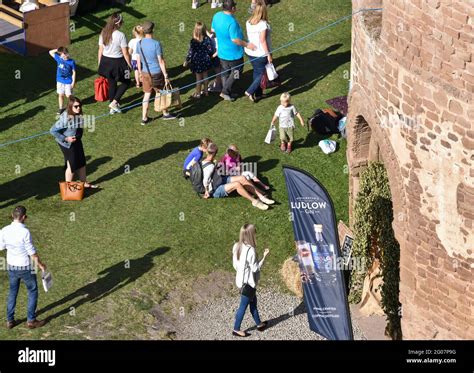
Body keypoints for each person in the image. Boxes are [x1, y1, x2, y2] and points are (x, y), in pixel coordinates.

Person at [0, 206, 47, 329]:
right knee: (32, 291)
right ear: (24, 217)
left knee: (12, 292)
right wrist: (41, 265)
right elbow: (31, 252)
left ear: (12, 215)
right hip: (25, 266)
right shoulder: (25, 232)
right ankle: (31, 320)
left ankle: (10, 320)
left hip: (11, 265)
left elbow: (1, 247)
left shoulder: (4, 230)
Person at [202, 143, 274, 210]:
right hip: (214, 189)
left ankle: (261, 196)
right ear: (215, 153)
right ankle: (254, 201)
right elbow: (205, 180)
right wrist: (206, 191)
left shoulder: (204, 161)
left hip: (218, 180)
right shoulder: (210, 166)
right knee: (237, 184)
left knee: (242, 178)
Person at [211, 0, 256, 101]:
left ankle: (227, 90)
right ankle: (225, 91)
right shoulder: (232, 22)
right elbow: (235, 39)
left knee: (225, 71)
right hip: (234, 54)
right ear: (232, 8)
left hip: (222, 52)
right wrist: (247, 45)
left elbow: (213, 30)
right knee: (237, 72)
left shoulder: (216, 15)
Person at [50, 97, 98, 188]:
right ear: (70, 106)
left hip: (76, 141)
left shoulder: (77, 114)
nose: (79, 108)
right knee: (72, 165)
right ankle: (68, 187)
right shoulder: (65, 119)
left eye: (80, 106)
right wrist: (66, 138)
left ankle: (84, 183)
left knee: (82, 162)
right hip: (67, 144)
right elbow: (52, 130)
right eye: (76, 106)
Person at [232, 223, 269, 337]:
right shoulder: (251, 250)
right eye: (254, 232)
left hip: (240, 281)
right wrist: (264, 256)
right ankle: (236, 329)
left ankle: (259, 324)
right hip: (248, 284)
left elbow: (235, 265)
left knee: (253, 302)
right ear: (251, 235)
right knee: (243, 306)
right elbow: (255, 268)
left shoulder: (236, 246)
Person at [136, 21, 176, 125]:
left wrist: (140, 73)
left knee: (147, 95)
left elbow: (138, 60)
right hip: (156, 73)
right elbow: (161, 61)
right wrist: (166, 75)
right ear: (152, 30)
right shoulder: (156, 44)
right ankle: (165, 113)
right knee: (161, 93)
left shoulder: (139, 43)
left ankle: (144, 118)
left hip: (145, 73)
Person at [98, 13, 132, 115]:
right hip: (117, 62)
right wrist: (129, 65)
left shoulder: (103, 32)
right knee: (126, 82)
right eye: (121, 22)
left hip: (105, 62)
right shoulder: (121, 35)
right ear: (118, 23)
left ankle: (112, 107)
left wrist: (100, 63)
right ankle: (114, 102)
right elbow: (125, 53)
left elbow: (100, 50)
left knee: (112, 83)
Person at [244, 3, 272, 102]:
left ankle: (258, 94)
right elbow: (262, 40)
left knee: (257, 72)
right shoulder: (263, 24)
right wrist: (268, 54)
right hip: (260, 53)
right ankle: (250, 91)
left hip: (250, 52)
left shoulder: (248, 22)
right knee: (262, 74)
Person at [185, 22, 215, 99]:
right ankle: (206, 91)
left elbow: (190, 52)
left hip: (197, 61)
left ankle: (198, 94)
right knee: (205, 76)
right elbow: (210, 50)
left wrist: (187, 60)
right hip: (205, 60)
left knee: (198, 79)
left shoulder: (193, 41)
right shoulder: (207, 39)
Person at [49, 47, 76, 115]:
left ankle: (74, 106)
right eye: (61, 54)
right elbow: (50, 52)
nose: (63, 56)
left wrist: (73, 82)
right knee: (60, 95)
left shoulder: (71, 62)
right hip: (59, 81)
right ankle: (61, 108)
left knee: (68, 95)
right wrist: (57, 49)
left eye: (64, 54)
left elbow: (74, 72)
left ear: (67, 54)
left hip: (68, 81)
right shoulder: (59, 59)